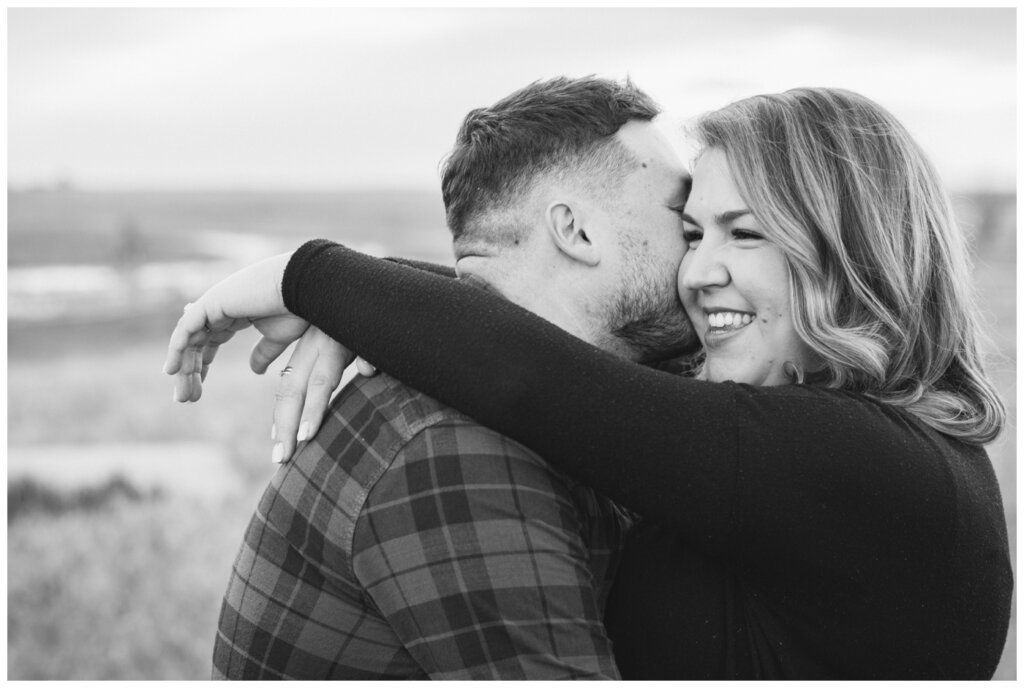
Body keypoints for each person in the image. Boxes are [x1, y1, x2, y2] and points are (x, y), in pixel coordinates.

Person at [165, 86, 1013, 679]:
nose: (697, 269)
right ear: (570, 229)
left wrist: (312, 278)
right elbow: (543, 361)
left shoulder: (857, 460)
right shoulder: (817, 425)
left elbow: (533, 375)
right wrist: (379, 305)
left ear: (850, 249)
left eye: (743, 234)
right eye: (687, 229)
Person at [205, 76, 701, 679]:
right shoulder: (458, 446)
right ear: (576, 231)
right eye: (683, 214)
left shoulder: (530, 400)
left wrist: (364, 295)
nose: (702, 248)